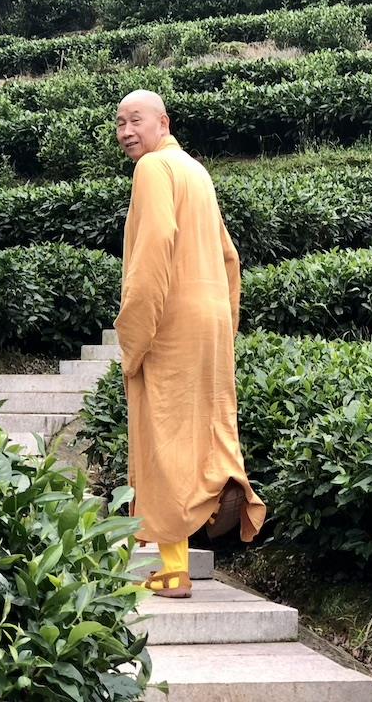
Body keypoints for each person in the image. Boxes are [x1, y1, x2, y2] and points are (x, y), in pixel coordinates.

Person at [113, 89, 267, 599]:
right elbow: (229, 255)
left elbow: (153, 249)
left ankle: (176, 566)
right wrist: (227, 320)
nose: (126, 132)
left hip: (171, 320)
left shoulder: (154, 170)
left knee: (165, 436)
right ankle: (222, 484)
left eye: (135, 121)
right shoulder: (195, 170)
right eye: (119, 124)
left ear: (163, 122)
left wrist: (133, 332)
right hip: (210, 320)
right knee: (204, 427)